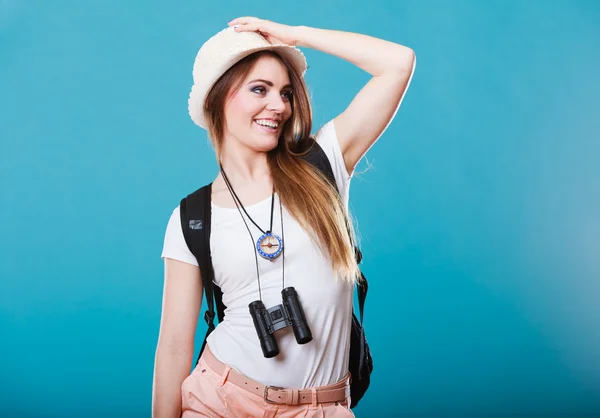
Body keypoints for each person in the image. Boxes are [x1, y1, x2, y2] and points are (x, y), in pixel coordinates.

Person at [153, 16, 415, 418]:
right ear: (217, 98)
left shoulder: (321, 164)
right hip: (221, 400)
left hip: (321, 407)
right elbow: (174, 342)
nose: (278, 106)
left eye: (286, 92)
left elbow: (397, 63)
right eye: (260, 89)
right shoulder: (192, 217)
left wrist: (296, 38)